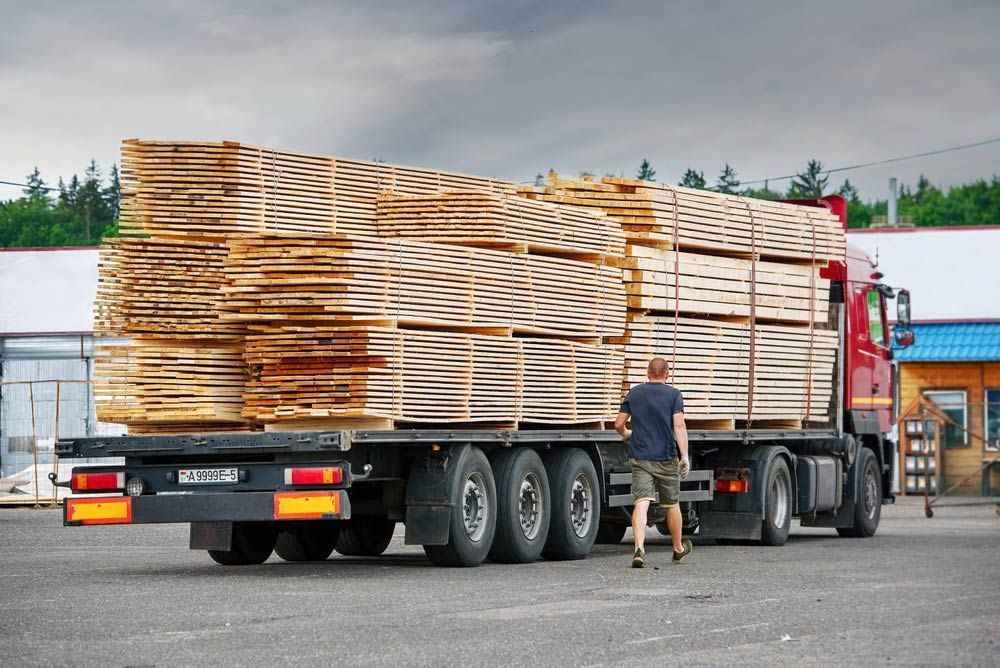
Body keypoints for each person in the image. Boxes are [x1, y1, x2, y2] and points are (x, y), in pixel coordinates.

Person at [614, 357, 692, 568]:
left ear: (647, 373)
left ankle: (639, 548)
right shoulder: (674, 395)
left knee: (641, 502)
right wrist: (684, 456)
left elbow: (619, 423)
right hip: (666, 458)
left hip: (640, 457)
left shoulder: (635, 393)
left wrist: (626, 434)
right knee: (672, 504)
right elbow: (679, 426)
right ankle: (677, 550)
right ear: (667, 374)